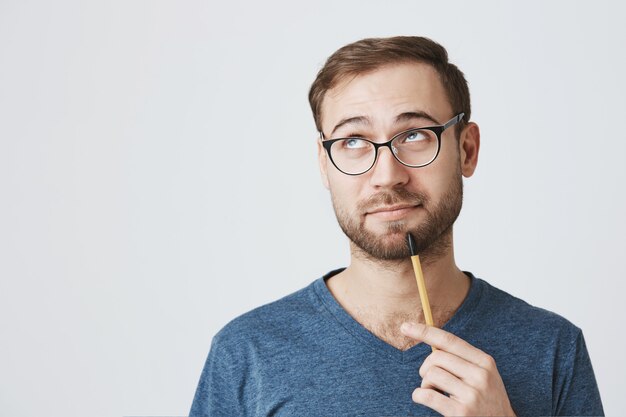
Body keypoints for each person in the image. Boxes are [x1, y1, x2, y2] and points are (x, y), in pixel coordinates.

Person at [189, 36, 603, 416]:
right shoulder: (247, 352)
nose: (387, 175)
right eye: (353, 141)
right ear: (324, 163)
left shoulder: (553, 347)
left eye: (415, 135)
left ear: (467, 149)